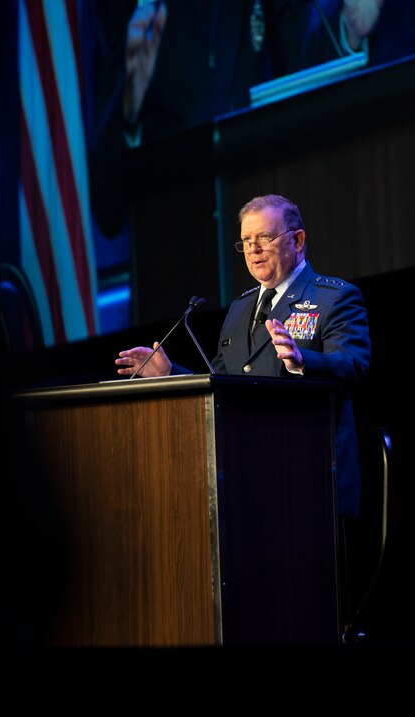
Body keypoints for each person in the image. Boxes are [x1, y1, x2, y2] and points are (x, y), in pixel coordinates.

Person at [115, 194, 371, 516]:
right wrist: (170, 374)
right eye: (246, 241)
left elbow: (353, 365)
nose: (253, 249)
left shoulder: (334, 298)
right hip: (246, 482)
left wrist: (302, 362)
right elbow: (222, 385)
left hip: (311, 478)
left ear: (297, 240)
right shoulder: (239, 310)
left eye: (264, 238)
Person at [85, 0, 385, 238]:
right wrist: (129, 112)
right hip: (170, 238)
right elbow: (107, 203)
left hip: (263, 226)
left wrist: (348, 31)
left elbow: (304, 64)